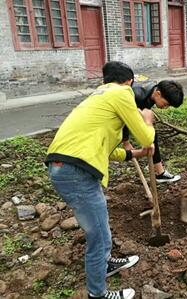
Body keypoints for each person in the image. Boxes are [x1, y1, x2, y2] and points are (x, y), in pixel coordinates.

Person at [45, 62, 156, 299]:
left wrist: (132, 154)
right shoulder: (122, 92)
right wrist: (147, 121)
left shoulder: (99, 96)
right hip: (75, 171)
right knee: (97, 234)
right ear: (129, 82)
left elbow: (104, 149)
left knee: (100, 222)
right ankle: (98, 294)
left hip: (65, 165)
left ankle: (106, 264)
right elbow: (146, 137)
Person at [123, 80, 184, 183]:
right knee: (150, 135)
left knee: (152, 135)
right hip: (108, 123)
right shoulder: (137, 97)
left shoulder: (152, 92)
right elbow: (123, 119)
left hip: (129, 116)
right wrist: (126, 142)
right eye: (166, 104)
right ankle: (160, 173)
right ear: (158, 93)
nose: (165, 108)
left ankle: (160, 172)